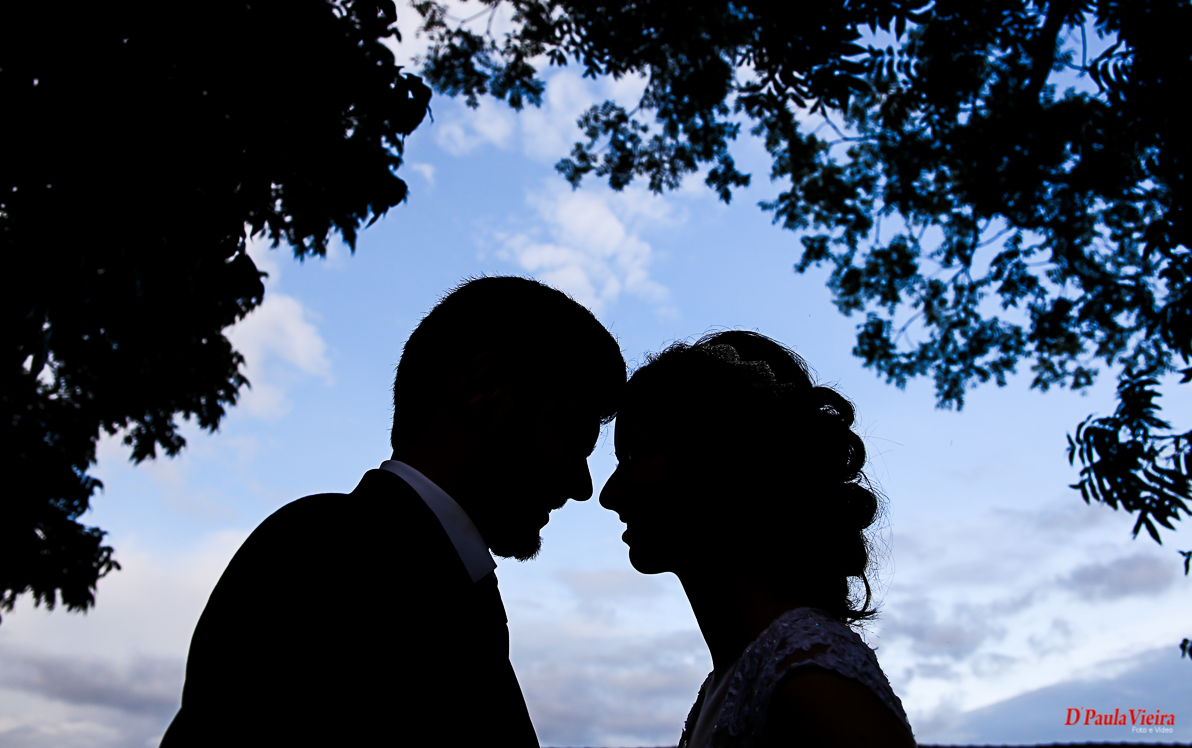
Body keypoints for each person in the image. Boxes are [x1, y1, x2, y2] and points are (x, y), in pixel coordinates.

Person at [160, 276, 626, 747]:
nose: (582, 486)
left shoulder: (401, 567)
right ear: (485, 390)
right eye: (568, 435)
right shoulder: (323, 557)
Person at [599, 330, 916, 748]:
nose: (609, 494)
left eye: (634, 457)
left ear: (720, 462)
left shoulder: (809, 679)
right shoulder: (741, 675)